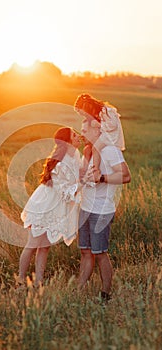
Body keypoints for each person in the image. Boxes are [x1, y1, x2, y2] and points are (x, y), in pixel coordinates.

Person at [74, 95, 131, 300]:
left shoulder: (110, 151)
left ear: (97, 127)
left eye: (84, 125)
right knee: (85, 252)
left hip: (101, 210)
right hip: (85, 207)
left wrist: (103, 178)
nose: (82, 129)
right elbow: (82, 175)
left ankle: (106, 294)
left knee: (100, 253)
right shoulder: (88, 151)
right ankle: (79, 290)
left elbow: (126, 176)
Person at [16, 127, 82, 287]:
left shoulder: (76, 155)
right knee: (32, 245)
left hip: (57, 207)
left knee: (44, 247)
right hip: (44, 205)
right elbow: (64, 191)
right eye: (74, 135)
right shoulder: (60, 162)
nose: (78, 136)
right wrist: (83, 183)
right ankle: (20, 280)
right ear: (68, 141)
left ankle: (39, 282)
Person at [74, 93, 125, 183]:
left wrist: (99, 125)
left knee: (95, 148)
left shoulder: (105, 111)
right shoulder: (99, 112)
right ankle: (91, 171)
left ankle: (96, 171)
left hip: (110, 135)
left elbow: (112, 126)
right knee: (92, 148)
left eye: (82, 112)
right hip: (106, 133)